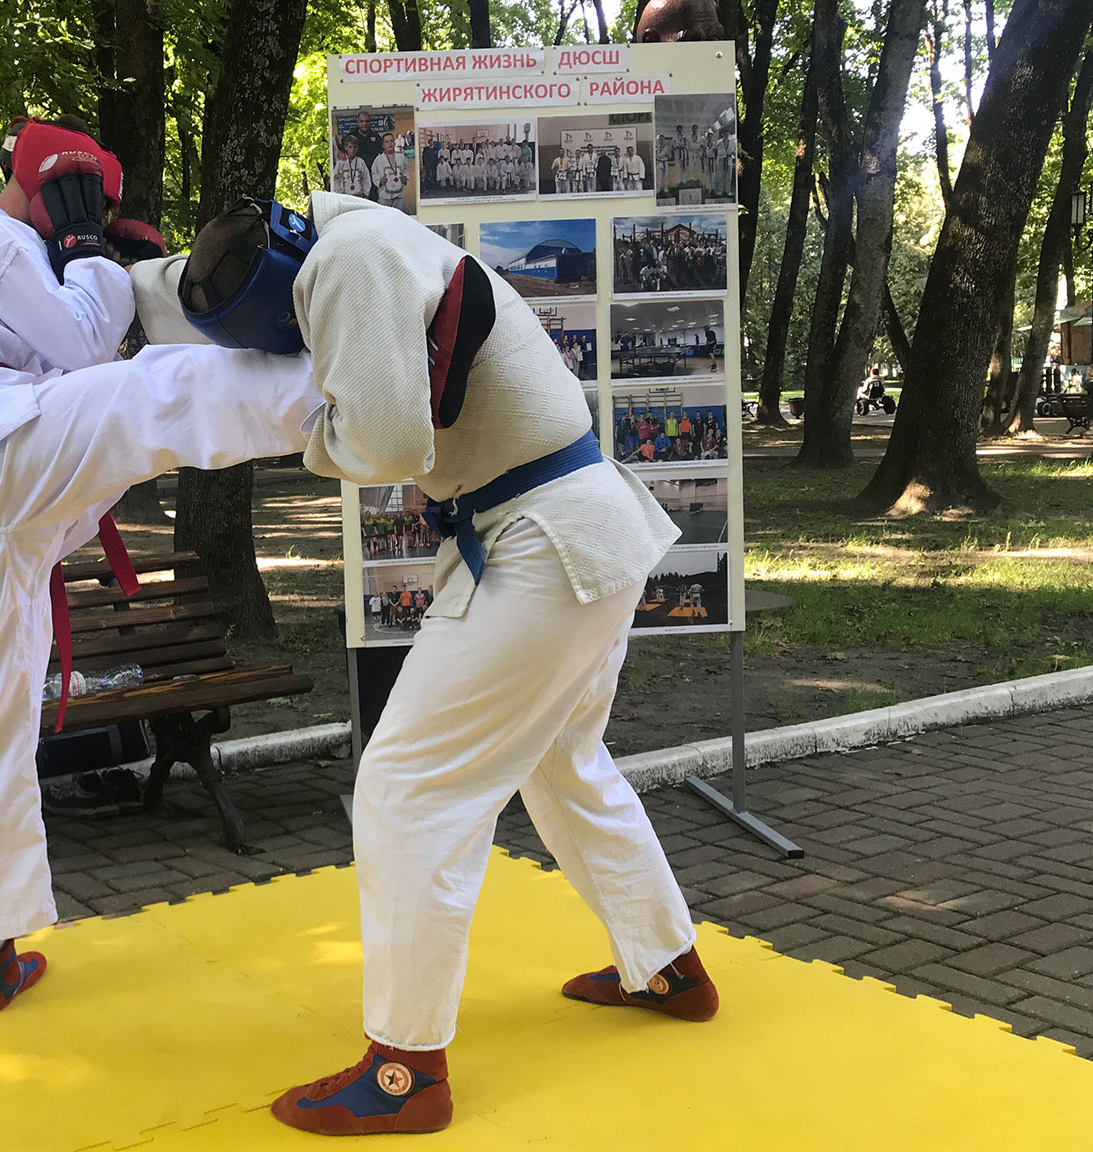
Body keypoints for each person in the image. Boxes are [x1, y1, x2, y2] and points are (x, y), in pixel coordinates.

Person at [169, 194, 711, 1137]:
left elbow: (387, 441)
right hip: (583, 530)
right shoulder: (381, 243)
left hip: (549, 543)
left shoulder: (350, 260)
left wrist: (314, 431)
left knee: (407, 787)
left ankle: (405, 1072)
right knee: (564, 762)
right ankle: (668, 966)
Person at [0, 116, 322, 1019]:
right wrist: (94, 259)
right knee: (153, 394)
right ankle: (343, 388)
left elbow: (79, 347)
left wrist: (120, 275)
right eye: (86, 205)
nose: (87, 221)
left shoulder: (14, 254)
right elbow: (81, 346)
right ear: (54, 187)